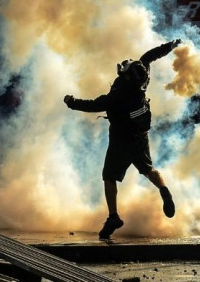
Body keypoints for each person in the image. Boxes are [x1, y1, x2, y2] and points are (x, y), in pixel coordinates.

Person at [64, 39, 181, 240]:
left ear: (127, 78)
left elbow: (94, 105)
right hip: (140, 138)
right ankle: (163, 188)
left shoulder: (119, 96)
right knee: (148, 169)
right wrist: (170, 46)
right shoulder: (142, 80)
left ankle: (113, 217)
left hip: (120, 141)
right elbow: (149, 56)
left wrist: (72, 102)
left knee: (109, 176)